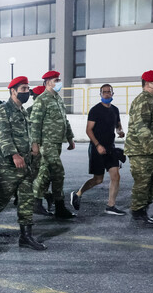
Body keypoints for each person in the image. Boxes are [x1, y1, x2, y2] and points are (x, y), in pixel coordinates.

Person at [0, 76, 46, 251]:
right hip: (6, 164)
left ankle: (26, 236)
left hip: (25, 162)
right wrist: (14, 155)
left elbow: (28, 131)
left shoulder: (23, 111)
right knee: (1, 200)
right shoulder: (3, 110)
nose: (27, 92)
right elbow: (3, 135)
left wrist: (34, 144)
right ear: (13, 91)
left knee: (27, 198)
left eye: (28, 89)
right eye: (24, 89)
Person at [70, 84, 126, 216]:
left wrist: (120, 131)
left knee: (116, 176)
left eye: (109, 92)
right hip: (97, 148)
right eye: (104, 92)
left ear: (113, 94)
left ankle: (111, 206)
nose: (107, 94)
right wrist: (97, 145)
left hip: (110, 149)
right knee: (98, 179)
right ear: (100, 94)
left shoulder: (115, 110)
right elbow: (88, 130)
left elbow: (118, 125)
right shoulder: (95, 110)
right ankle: (78, 194)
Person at [124, 70, 153, 228]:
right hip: (140, 150)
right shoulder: (143, 101)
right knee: (143, 182)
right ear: (149, 84)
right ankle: (138, 212)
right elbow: (141, 128)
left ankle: (142, 206)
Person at [30, 71, 76, 219]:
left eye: (59, 80)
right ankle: (59, 206)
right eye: (56, 80)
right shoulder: (41, 100)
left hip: (57, 141)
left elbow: (65, 121)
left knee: (46, 172)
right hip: (46, 142)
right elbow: (35, 124)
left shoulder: (58, 99)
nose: (59, 83)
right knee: (58, 172)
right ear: (47, 82)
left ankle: (37, 201)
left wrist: (70, 138)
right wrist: (35, 144)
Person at [27, 85, 53, 213]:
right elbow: (31, 131)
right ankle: (37, 201)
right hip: (37, 148)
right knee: (39, 175)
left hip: (46, 147)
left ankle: (43, 197)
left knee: (43, 174)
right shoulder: (32, 111)